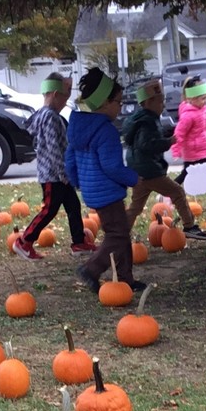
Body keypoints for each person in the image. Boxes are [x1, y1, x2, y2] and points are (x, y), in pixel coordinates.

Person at [65, 67, 144, 293]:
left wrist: (78, 182)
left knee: (120, 233)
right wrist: (132, 178)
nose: (120, 107)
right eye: (118, 102)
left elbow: (69, 160)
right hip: (108, 191)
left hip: (92, 191)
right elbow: (112, 166)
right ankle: (91, 269)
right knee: (117, 234)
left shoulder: (77, 127)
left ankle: (126, 277)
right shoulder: (105, 130)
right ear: (103, 104)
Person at [13, 74, 96, 260]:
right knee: (49, 210)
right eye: (65, 98)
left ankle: (78, 242)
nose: (65, 103)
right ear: (56, 94)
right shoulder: (50, 117)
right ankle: (24, 241)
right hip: (53, 175)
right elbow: (53, 149)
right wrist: (63, 173)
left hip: (59, 174)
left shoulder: (42, 115)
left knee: (73, 205)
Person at [123, 79, 206, 239]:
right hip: (150, 171)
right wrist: (168, 142)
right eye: (160, 101)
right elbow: (147, 144)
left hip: (139, 171)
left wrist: (165, 136)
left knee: (136, 207)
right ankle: (189, 226)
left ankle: (120, 234)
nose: (163, 105)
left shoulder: (140, 119)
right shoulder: (148, 121)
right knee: (177, 191)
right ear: (149, 102)